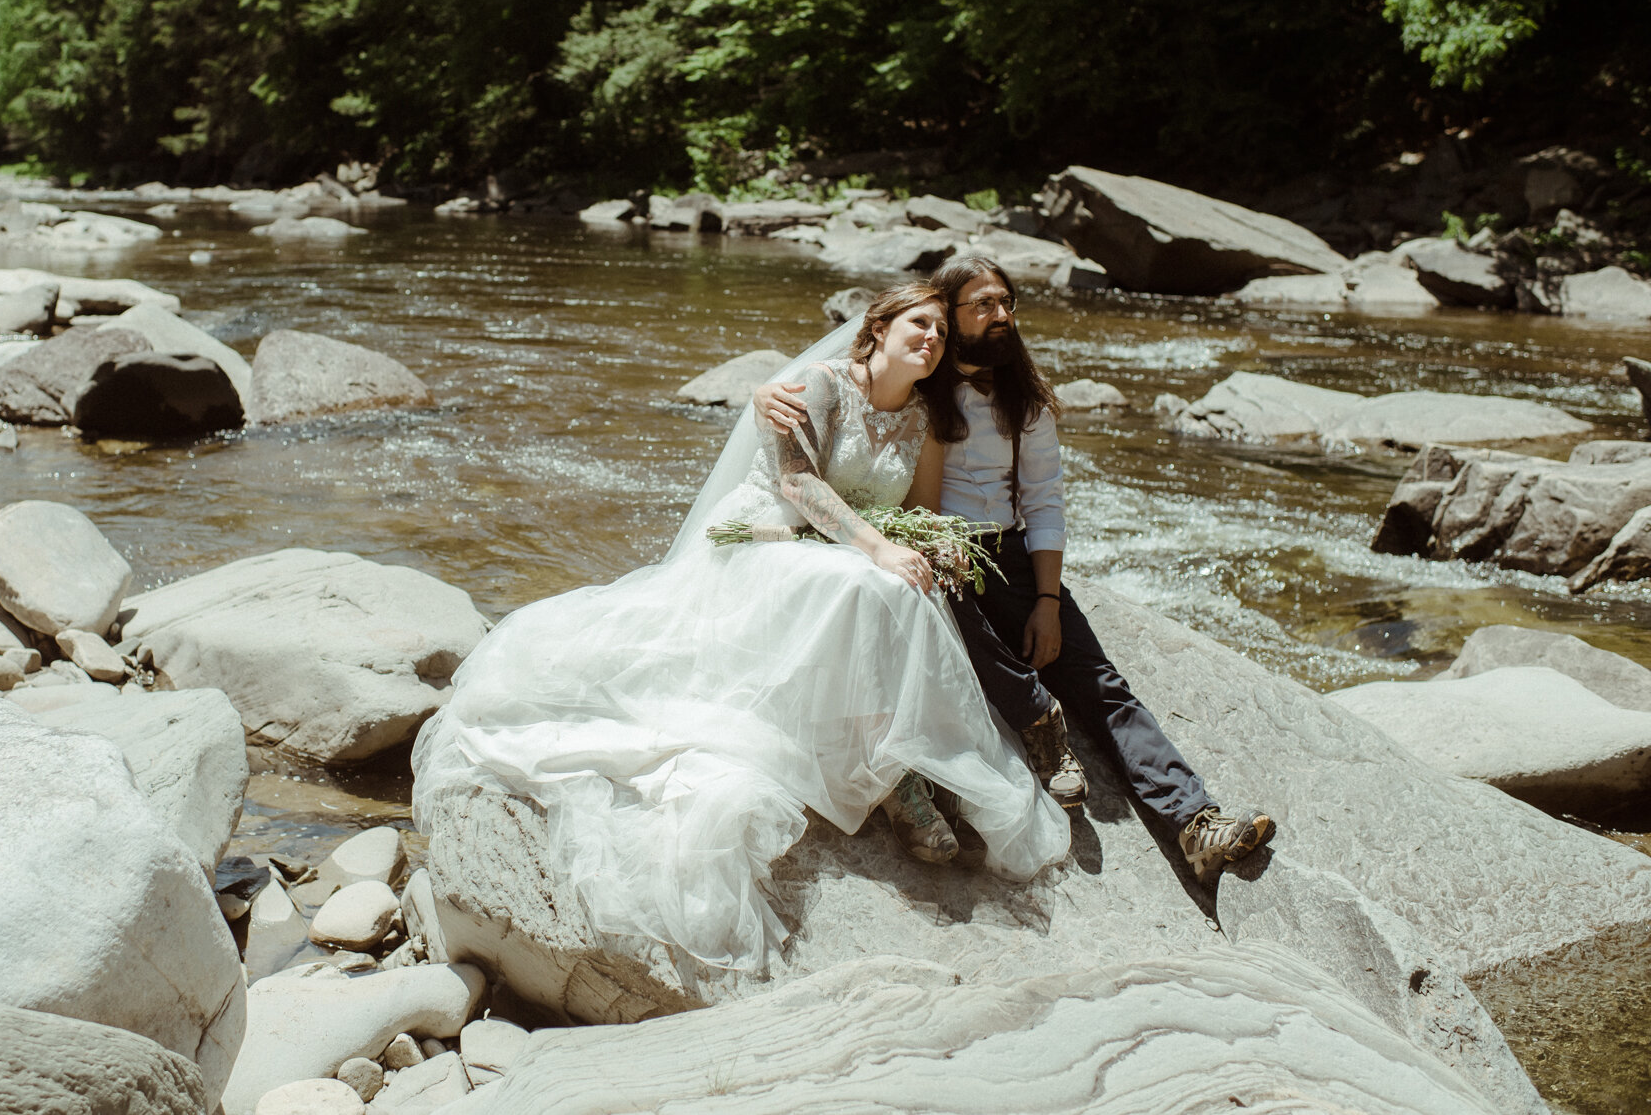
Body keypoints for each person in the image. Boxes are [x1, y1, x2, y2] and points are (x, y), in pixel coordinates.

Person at [412, 283, 1070, 973]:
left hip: (842, 552)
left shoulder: (925, 419)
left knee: (906, 589)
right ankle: (894, 782)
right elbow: (798, 486)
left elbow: (924, 508)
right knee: (867, 583)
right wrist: (877, 546)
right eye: (919, 323)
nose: (932, 338)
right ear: (876, 330)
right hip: (767, 544)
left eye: (940, 330)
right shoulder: (814, 387)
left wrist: (937, 542)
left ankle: (909, 765)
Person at [756, 256, 1275, 883]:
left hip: (1007, 551)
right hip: (934, 548)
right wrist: (763, 392)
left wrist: (1049, 601)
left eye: (1007, 303)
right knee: (943, 611)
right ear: (948, 314)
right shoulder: (920, 378)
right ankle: (1034, 716)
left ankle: (1195, 822)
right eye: (981, 305)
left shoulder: (1026, 401)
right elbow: (846, 394)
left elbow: (1045, 503)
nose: (1001, 315)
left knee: (1098, 681)